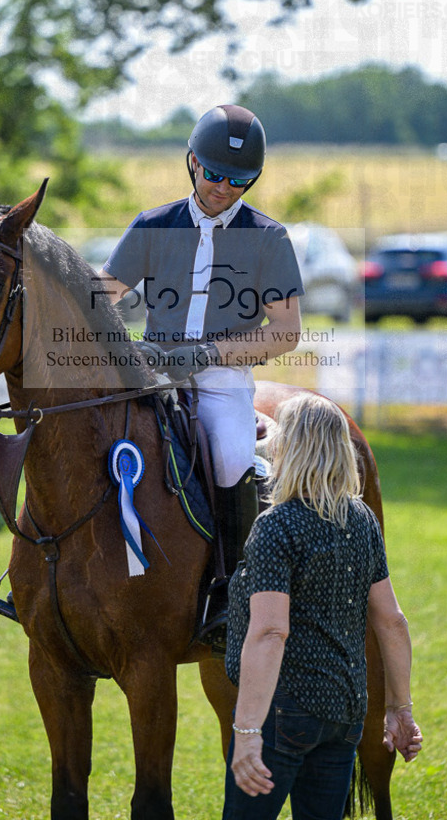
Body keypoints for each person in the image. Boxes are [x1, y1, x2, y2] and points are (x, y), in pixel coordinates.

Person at [97, 104, 303, 634]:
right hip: (150, 372)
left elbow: (285, 331)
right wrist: (132, 349)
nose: (223, 188)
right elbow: (98, 300)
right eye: (214, 174)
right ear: (192, 162)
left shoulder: (269, 237)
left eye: (239, 181)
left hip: (220, 381)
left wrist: (208, 354)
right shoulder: (153, 225)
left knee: (232, 457)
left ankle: (234, 591)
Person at [223, 393, 422, 820]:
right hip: (345, 714)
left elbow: (271, 631)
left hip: (283, 713)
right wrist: (399, 709)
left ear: (290, 449)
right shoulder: (362, 519)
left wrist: (248, 730)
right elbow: (392, 621)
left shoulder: (275, 526)